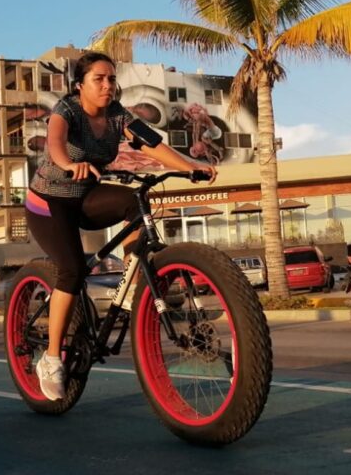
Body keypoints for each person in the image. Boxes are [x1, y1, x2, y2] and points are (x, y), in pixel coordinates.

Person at [26, 51, 216, 401]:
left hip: (85, 196)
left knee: (134, 202)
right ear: (79, 85)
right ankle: (51, 358)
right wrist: (69, 163)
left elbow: (153, 144)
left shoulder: (117, 115)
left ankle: (130, 282)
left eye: (111, 78)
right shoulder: (66, 111)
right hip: (48, 202)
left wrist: (190, 166)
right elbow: (54, 144)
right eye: (98, 78)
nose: (107, 85)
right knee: (71, 271)